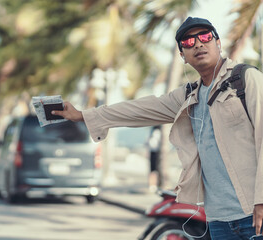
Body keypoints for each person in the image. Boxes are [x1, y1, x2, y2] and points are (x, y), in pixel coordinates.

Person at [51, 17, 263, 239]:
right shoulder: (188, 96)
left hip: (254, 213)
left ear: (218, 43)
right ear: (182, 55)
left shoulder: (246, 79)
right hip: (218, 219)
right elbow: (138, 109)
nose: (198, 44)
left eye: (205, 36)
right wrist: (83, 115)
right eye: (189, 42)